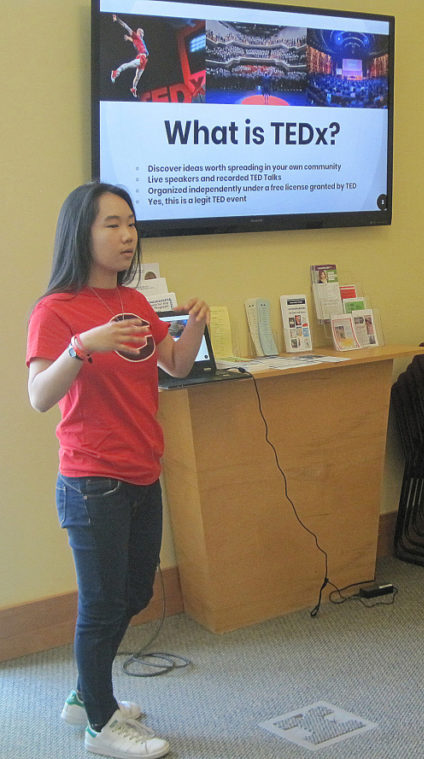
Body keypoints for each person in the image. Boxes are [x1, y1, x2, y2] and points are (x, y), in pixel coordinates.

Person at [26, 182, 210, 757]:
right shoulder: (55, 310)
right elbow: (38, 395)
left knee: (132, 594)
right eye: (112, 224)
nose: (127, 235)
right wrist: (84, 345)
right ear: (81, 232)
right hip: (91, 478)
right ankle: (100, 725)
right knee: (101, 603)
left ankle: (85, 695)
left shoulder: (134, 303)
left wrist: (193, 330)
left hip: (141, 469)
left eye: (130, 223)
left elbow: (175, 365)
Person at [110, 14, 149, 98]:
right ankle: (115, 72)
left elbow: (135, 41)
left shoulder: (140, 40)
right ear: (138, 32)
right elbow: (126, 27)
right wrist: (117, 19)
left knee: (137, 77)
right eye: (141, 32)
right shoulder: (136, 36)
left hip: (144, 60)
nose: (143, 33)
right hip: (141, 57)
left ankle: (134, 88)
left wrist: (128, 38)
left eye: (143, 32)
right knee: (128, 65)